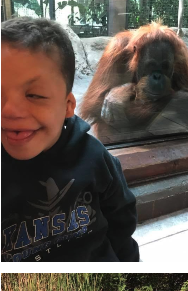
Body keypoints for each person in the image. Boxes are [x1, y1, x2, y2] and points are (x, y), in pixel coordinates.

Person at [1, 17, 140, 262]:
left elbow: (122, 216)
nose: (10, 110)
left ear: (68, 106)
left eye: (34, 94)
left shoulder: (94, 156)